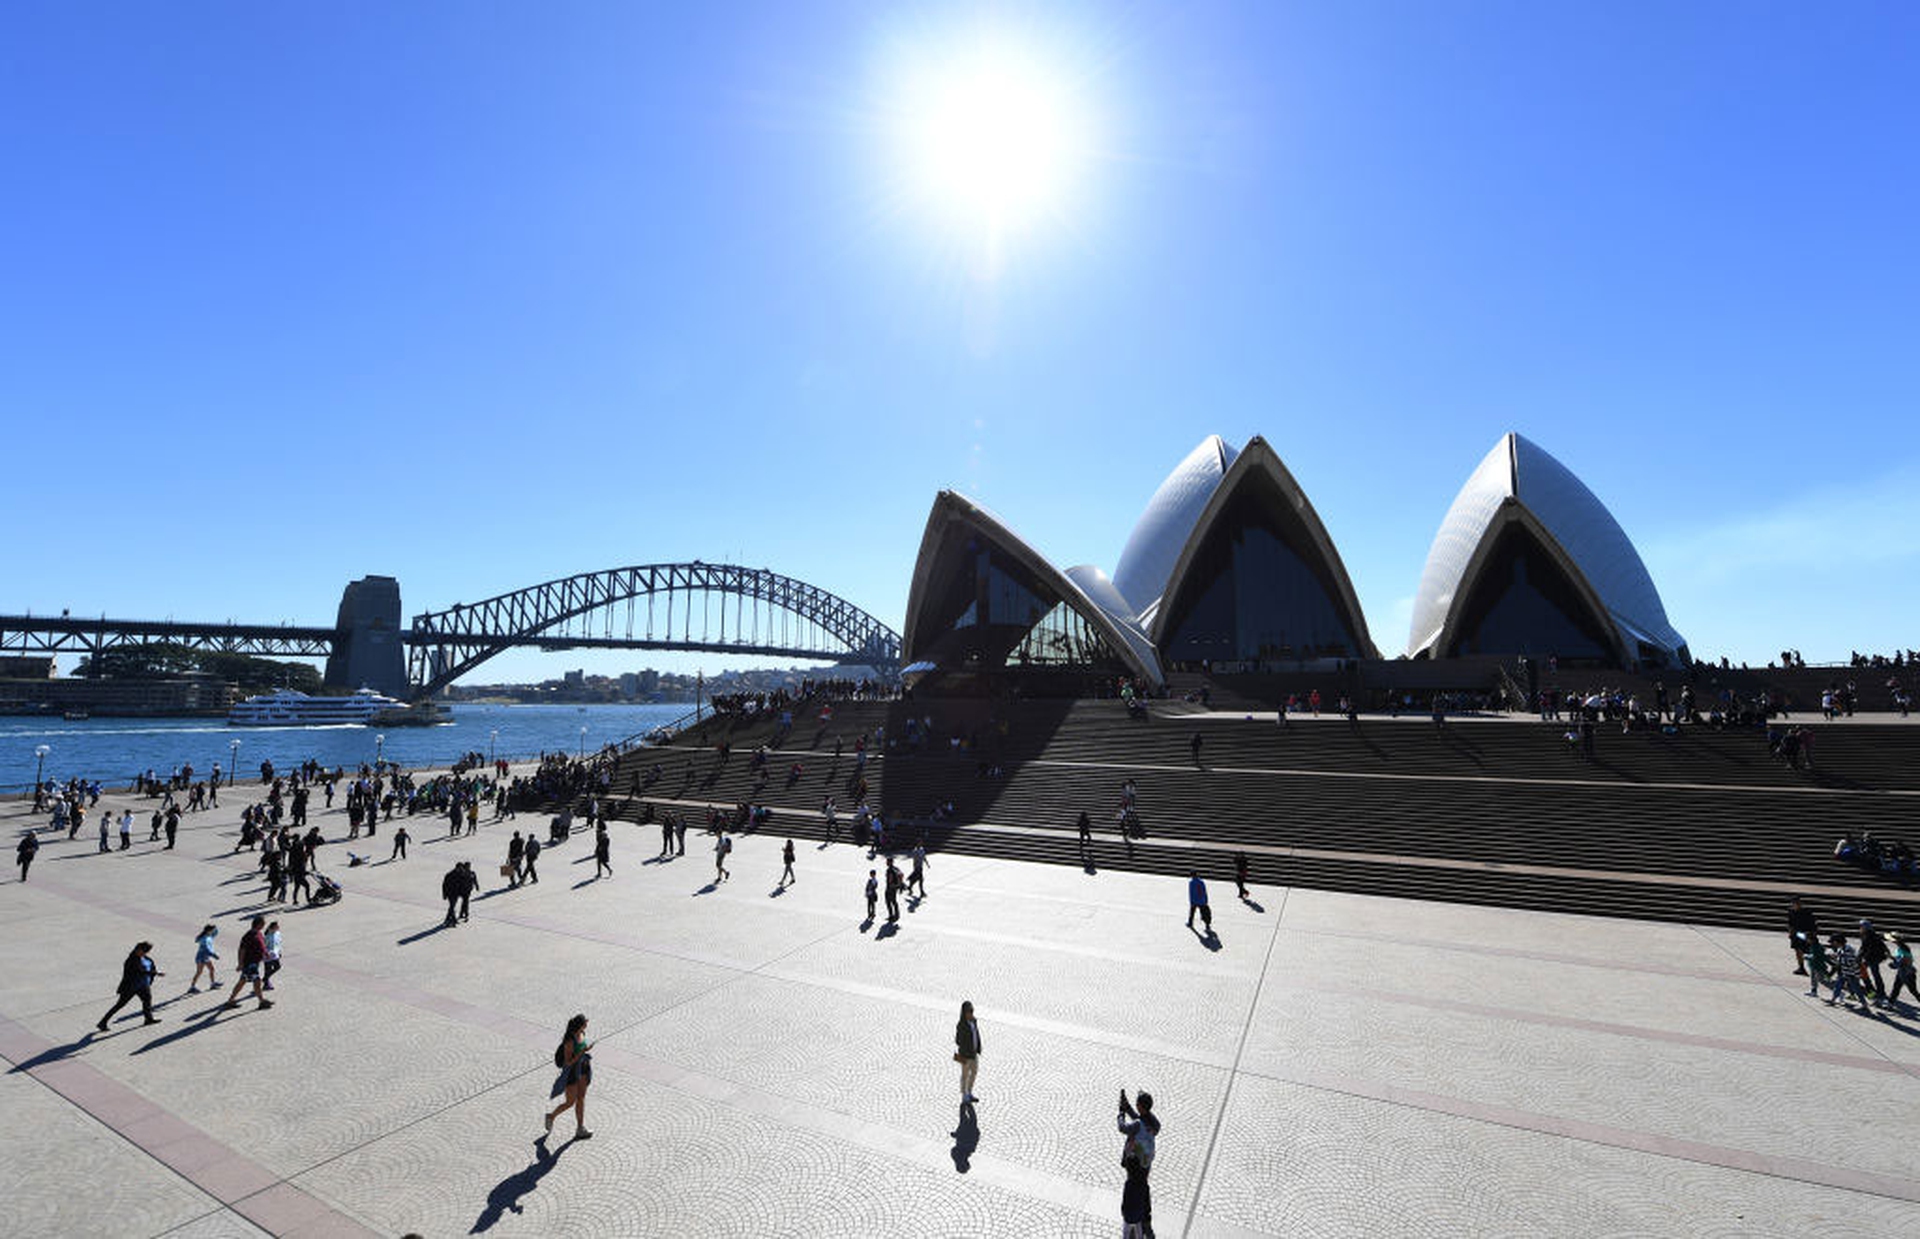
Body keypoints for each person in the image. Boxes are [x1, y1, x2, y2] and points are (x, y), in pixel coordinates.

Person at [543, 1013, 595, 1141]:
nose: (587, 1024)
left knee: (581, 1098)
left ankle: (580, 1128)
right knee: (570, 1102)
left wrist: (585, 1051)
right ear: (581, 1024)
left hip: (583, 1068)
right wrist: (583, 1051)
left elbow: (582, 1048)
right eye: (585, 1023)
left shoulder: (582, 1033)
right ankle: (551, 1116)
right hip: (572, 1072)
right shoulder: (570, 1041)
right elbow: (568, 1062)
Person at [1117, 1090, 1160, 1239]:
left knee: (1132, 1186)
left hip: (1134, 1162)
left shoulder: (1136, 1125)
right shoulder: (1154, 1124)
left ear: (1141, 1106)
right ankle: (1145, 1221)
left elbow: (1123, 1127)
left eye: (1137, 1104)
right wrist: (1128, 1107)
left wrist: (1121, 1114)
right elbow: (1140, 1121)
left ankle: (1132, 1228)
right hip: (1145, 1163)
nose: (1136, 1105)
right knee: (1143, 1186)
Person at [97, 942, 162, 1031]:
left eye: (147, 952)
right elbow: (139, 971)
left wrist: (153, 973)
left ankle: (148, 1019)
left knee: (147, 1000)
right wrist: (154, 973)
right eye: (144, 951)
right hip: (131, 987)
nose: (145, 953)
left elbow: (151, 967)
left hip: (143, 986)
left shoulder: (146, 958)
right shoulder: (131, 960)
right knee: (120, 1005)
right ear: (138, 949)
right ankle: (103, 1022)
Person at [224, 917, 274, 1011]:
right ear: (258, 924)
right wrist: (240, 963)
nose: (264, 925)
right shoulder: (248, 936)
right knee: (257, 981)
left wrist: (266, 953)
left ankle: (230, 1001)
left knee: (242, 981)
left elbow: (262, 945)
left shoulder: (258, 933)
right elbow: (242, 950)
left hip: (254, 963)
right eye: (263, 923)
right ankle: (261, 1001)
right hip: (250, 964)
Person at [954, 1000, 982, 1103]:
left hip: (974, 1054)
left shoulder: (974, 1021)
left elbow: (977, 1034)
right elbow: (957, 1040)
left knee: (974, 1072)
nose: (971, 1014)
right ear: (964, 1013)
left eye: (972, 1011)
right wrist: (965, 1049)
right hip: (965, 1055)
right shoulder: (961, 1025)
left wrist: (978, 1047)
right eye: (969, 1012)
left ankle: (969, 1092)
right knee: (965, 1075)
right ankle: (964, 1095)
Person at [1788, 898, 1819, 975]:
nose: (1795, 905)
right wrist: (1790, 933)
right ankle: (1801, 967)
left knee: (1810, 951)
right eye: (1794, 904)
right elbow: (1790, 924)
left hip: (1806, 934)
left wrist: (1813, 933)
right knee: (1798, 951)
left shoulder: (1807, 912)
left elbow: (1813, 923)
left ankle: (1816, 968)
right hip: (1797, 934)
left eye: (1797, 904)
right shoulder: (1791, 912)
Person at [188, 924, 220, 992]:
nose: (213, 931)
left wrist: (215, 928)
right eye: (212, 930)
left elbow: (216, 933)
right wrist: (214, 955)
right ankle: (192, 987)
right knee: (199, 972)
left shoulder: (209, 936)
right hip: (201, 957)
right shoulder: (205, 939)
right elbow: (207, 949)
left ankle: (212, 984)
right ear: (208, 931)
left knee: (212, 969)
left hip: (205, 957)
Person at [263, 921, 283, 990]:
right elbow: (264, 946)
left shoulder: (278, 933)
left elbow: (279, 943)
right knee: (267, 970)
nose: (278, 927)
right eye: (277, 926)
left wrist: (280, 951)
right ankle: (266, 984)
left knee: (277, 967)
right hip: (267, 955)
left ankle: (265, 978)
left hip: (275, 954)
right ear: (273, 927)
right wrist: (266, 953)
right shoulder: (267, 936)